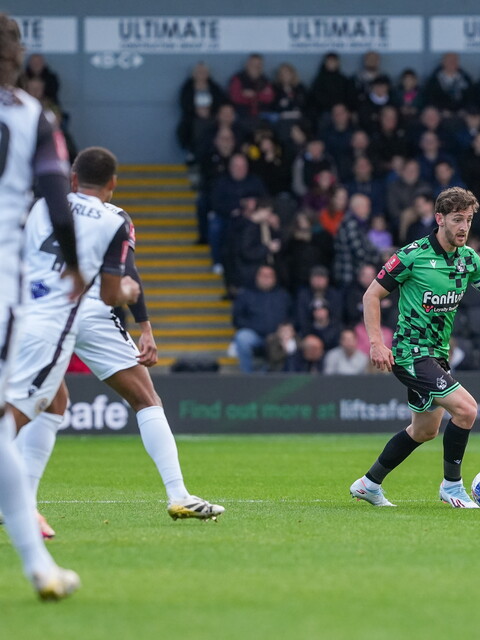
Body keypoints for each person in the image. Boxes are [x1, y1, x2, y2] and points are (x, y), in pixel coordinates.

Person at [13, 152, 224, 537]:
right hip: (88, 309)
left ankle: (21, 503)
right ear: (112, 185)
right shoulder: (115, 219)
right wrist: (141, 318)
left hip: (33, 309)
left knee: (48, 402)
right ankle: (177, 493)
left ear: (74, 179)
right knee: (145, 398)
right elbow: (122, 282)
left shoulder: (42, 205)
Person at [349, 187, 480, 508]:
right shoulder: (412, 255)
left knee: (423, 431)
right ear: (439, 219)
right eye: (457, 219)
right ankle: (452, 487)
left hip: (437, 356)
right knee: (466, 409)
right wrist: (377, 343)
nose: (463, 227)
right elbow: (371, 296)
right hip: (410, 353)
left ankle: (369, 483)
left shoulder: (468, 259)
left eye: (469, 220)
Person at [0, 14, 83, 600]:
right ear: (17, 57)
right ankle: (37, 566)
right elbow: (58, 198)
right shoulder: (34, 117)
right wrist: (77, 265)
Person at [232, 264, 292, 373]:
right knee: (242, 338)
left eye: (269, 276)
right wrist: (257, 327)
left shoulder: (283, 295)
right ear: (257, 277)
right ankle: (247, 375)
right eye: (263, 275)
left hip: (277, 336)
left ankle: (284, 376)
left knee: (292, 344)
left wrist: (286, 329)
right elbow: (237, 319)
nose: (266, 278)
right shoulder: (246, 294)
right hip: (255, 335)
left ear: (274, 278)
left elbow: (292, 316)